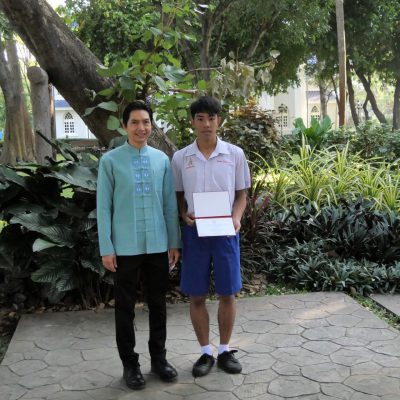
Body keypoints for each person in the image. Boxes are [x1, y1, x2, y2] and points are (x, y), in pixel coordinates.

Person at [97, 101, 180, 390]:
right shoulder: (110, 161)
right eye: (135, 122)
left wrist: (174, 241)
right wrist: (106, 247)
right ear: (124, 126)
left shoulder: (161, 160)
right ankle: (130, 364)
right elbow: (103, 207)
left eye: (146, 122)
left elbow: (169, 205)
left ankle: (159, 359)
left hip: (157, 244)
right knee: (125, 308)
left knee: (158, 305)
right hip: (125, 248)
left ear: (151, 126)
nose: (141, 128)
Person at [171, 96, 250, 377]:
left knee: (228, 292)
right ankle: (205, 352)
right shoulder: (181, 158)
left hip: (226, 232)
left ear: (220, 121)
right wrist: (183, 214)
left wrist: (236, 217)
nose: (206, 124)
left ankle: (225, 350)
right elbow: (179, 196)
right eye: (201, 118)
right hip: (195, 233)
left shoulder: (234, 154)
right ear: (192, 122)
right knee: (197, 295)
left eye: (212, 118)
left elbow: (241, 195)